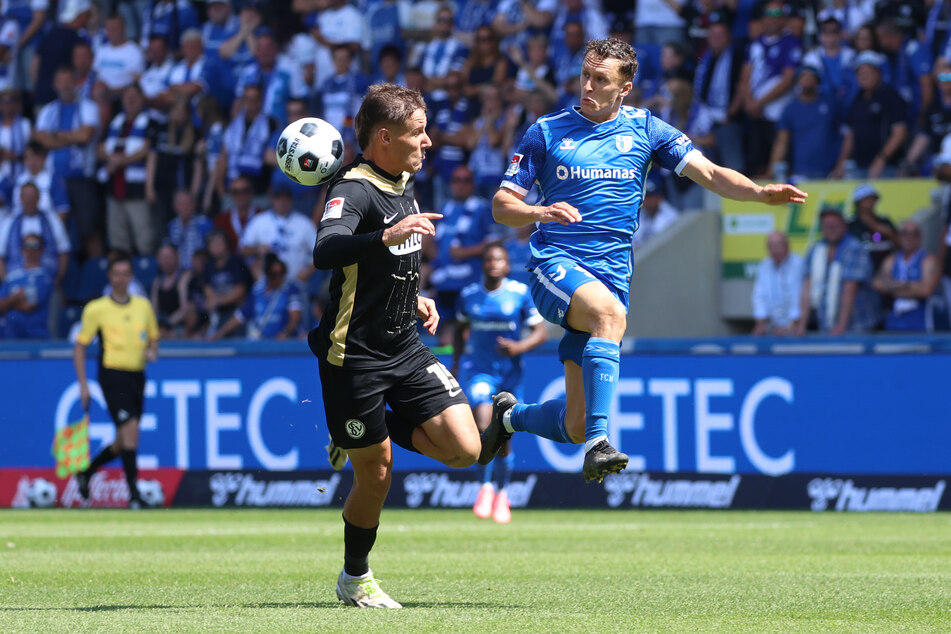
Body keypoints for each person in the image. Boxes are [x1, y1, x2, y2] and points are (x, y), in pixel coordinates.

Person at [484, 37, 806, 482]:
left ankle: (508, 417)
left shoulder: (647, 129)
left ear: (625, 88)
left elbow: (709, 173)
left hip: (612, 272)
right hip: (554, 262)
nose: (588, 87)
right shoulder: (546, 130)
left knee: (574, 423)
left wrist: (759, 192)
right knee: (610, 317)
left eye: (601, 80)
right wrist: (539, 210)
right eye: (585, 76)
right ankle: (601, 444)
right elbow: (501, 205)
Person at [310, 83, 482, 608]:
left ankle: (359, 431)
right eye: (417, 132)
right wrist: (383, 237)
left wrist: (416, 293)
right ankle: (354, 578)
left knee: (465, 449)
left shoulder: (403, 178)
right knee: (377, 471)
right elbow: (326, 250)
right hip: (353, 358)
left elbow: (385, 264)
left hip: (403, 344)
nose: (428, 141)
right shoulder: (354, 188)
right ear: (384, 137)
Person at [453, 243, 546, 524]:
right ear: (483, 264)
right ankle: (484, 487)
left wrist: (519, 347)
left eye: (499, 260)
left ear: (506, 266)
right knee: (483, 427)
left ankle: (503, 493)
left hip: (509, 375)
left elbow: (540, 333)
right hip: (480, 371)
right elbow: (459, 331)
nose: (494, 264)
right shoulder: (469, 296)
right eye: (489, 259)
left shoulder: (519, 294)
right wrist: (457, 362)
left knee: (504, 438)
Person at [73, 254, 159, 509]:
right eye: (116, 274)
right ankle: (134, 494)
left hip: (137, 376)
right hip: (112, 375)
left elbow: (154, 337)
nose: (121, 279)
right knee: (131, 429)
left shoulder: (142, 306)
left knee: (124, 441)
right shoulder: (97, 309)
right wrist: (84, 385)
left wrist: (153, 350)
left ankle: (86, 473)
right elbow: (80, 347)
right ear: (109, 277)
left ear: (131, 277)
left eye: (125, 273)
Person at [794, 205, 879, 335]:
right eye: (827, 225)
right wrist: (801, 325)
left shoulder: (854, 248)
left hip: (857, 327)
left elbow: (850, 288)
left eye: (835, 224)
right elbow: (807, 288)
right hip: (826, 327)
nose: (831, 229)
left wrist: (841, 326)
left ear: (844, 226)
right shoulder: (816, 249)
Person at [211, 253, 303, 341]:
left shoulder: (290, 289)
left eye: (281, 273)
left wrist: (286, 333)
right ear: (267, 273)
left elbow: (295, 317)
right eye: (274, 274)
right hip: (261, 343)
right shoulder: (257, 290)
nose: (279, 277)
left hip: (281, 343)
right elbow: (240, 316)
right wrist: (219, 333)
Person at [873, 220, 941, 331]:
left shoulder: (928, 260)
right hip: (894, 321)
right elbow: (877, 284)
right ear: (899, 236)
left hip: (920, 322)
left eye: (914, 234)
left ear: (920, 237)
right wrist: (910, 287)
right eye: (905, 233)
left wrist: (894, 286)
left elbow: (926, 290)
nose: (909, 237)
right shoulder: (892, 259)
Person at [0, 232, 53, 338]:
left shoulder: (45, 277)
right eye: (27, 246)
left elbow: (28, 306)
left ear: (42, 249)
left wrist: (9, 301)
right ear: (22, 249)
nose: (31, 250)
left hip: (35, 336)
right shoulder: (11, 277)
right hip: (9, 335)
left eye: (35, 246)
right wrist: (17, 297)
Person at [751, 230, 803, 335]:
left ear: (787, 245)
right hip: (775, 326)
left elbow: (797, 297)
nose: (776, 250)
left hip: (797, 326)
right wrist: (760, 323)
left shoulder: (798, 264)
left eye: (779, 245)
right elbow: (759, 296)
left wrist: (791, 326)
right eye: (772, 246)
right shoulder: (764, 265)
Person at [849, 183, 898, 272]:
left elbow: (899, 243)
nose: (870, 202)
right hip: (859, 270)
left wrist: (882, 229)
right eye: (866, 199)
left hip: (886, 269)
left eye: (872, 199)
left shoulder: (885, 221)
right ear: (858, 203)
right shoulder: (851, 225)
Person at [151, 242, 191, 338]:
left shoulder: (185, 277)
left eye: (169, 257)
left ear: (177, 257)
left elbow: (185, 310)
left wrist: (167, 324)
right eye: (163, 258)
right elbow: (153, 309)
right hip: (162, 327)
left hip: (181, 327)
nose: (166, 261)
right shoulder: (157, 281)